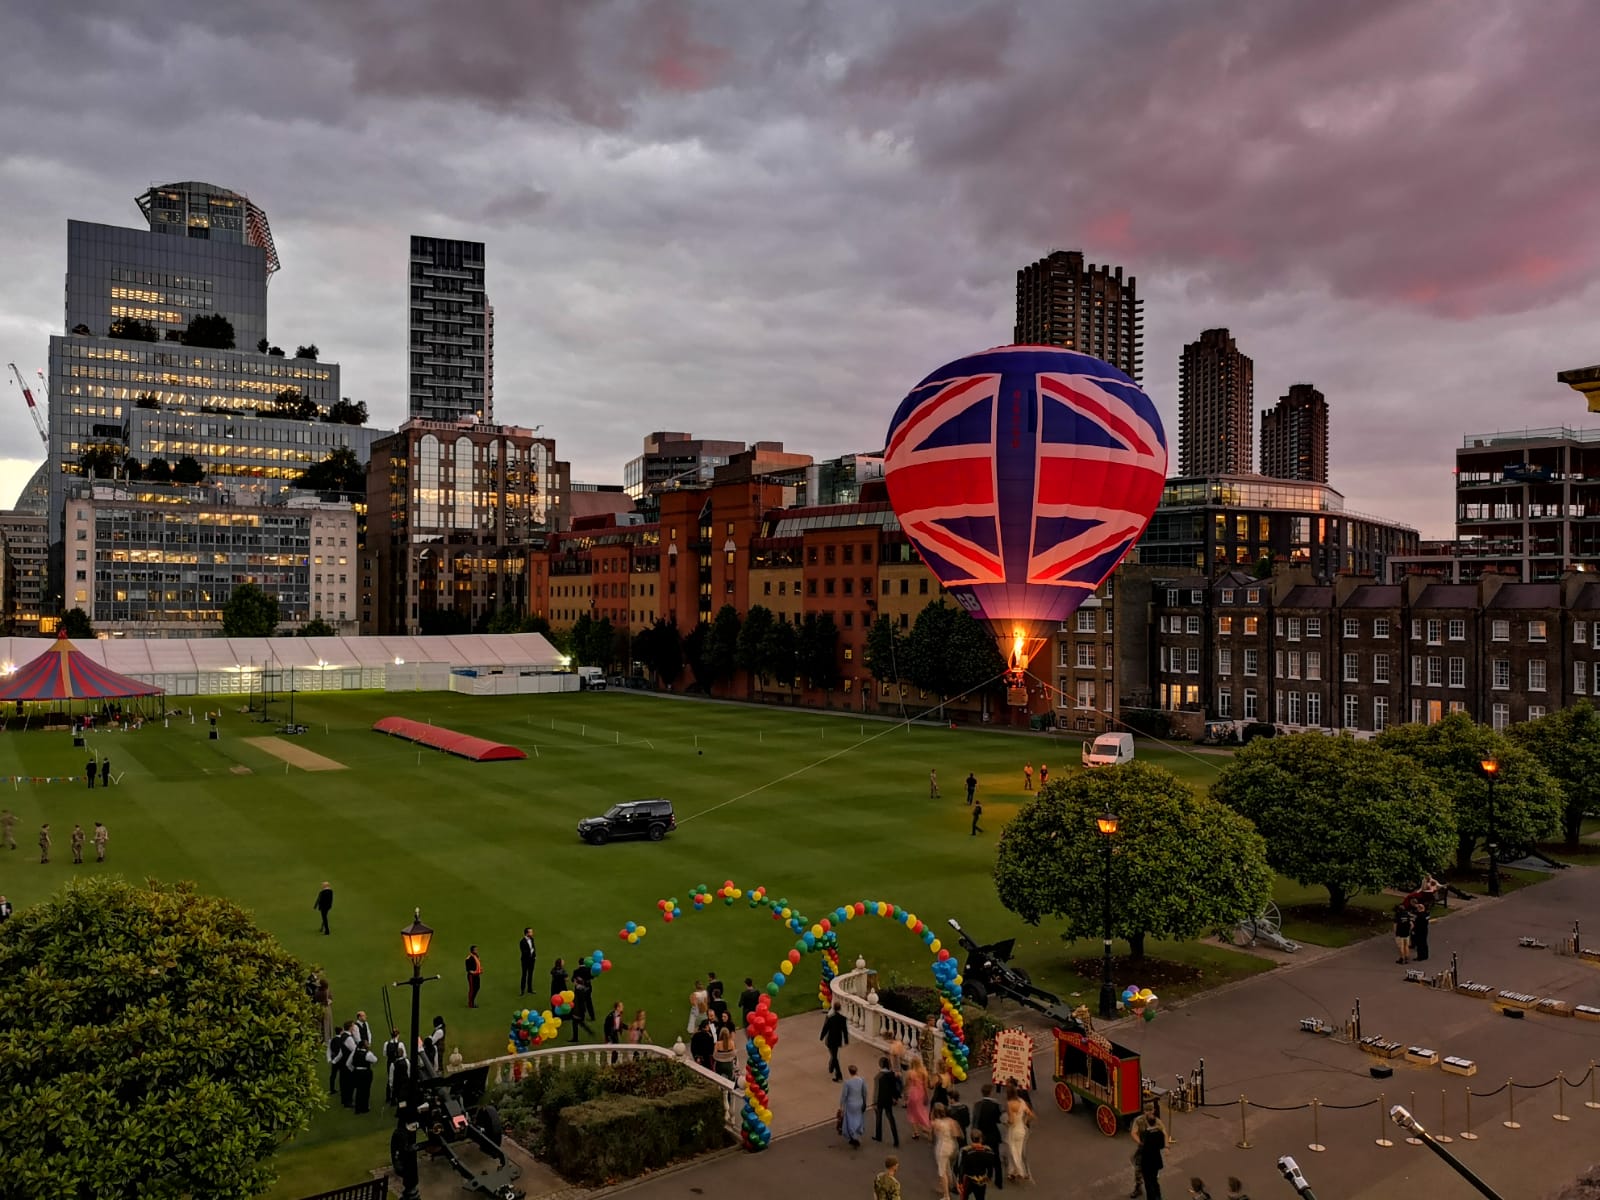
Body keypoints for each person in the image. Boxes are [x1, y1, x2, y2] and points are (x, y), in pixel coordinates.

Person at [1131, 1100, 1167, 1199]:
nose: (1149, 1112)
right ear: (1144, 1111)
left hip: (1152, 1152)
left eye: (1151, 1110)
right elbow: (1134, 1132)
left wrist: (1167, 1146)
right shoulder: (1139, 1120)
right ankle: (1138, 1188)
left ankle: (1154, 1195)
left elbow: (1164, 1132)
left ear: (1154, 1110)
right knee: (1138, 1171)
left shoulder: (1157, 1121)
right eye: (1147, 1110)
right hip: (1143, 1150)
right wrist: (1140, 1142)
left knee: (1152, 1179)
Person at [972, 1083, 1004, 1191]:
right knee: (996, 1158)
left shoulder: (977, 1105)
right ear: (990, 1093)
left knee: (983, 1156)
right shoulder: (995, 1105)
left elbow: (975, 1120)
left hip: (982, 1135)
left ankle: (987, 1175)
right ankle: (998, 1182)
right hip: (993, 1134)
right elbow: (999, 1119)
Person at [932, 1102, 961, 1199]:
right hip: (951, 1145)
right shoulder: (951, 1121)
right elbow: (957, 1134)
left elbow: (931, 1135)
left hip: (942, 1147)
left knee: (942, 1171)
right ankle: (950, 1186)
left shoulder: (936, 1123)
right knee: (948, 1167)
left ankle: (946, 1195)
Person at [1003, 1084, 1032, 1183]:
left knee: (1012, 1151)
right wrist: (1025, 1121)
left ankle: (1019, 1172)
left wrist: (1006, 1122)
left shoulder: (1010, 1104)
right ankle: (1014, 1172)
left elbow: (1011, 1120)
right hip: (1022, 1129)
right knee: (1018, 1151)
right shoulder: (1022, 1101)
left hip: (1014, 1130)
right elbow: (1030, 1114)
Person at [959, 1131, 999, 1200]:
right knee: (980, 1197)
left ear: (971, 1138)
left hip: (969, 1179)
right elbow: (990, 1166)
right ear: (981, 1139)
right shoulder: (988, 1151)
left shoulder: (966, 1151)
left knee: (964, 1197)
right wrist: (989, 1176)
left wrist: (960, 1181)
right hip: (981, 1178)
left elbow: (962, 1166)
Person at [873, 1056, 900, 1146]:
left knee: (879, 1118)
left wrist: (874, 1102)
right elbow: (894, 1088)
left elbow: (876, 1091)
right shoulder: (892, 1075)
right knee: (891, 1119)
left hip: (880, 1100)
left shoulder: (878, 1077)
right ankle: (896, 1140)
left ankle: (878, 1136)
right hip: (888, 1099)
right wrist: (895, 1098)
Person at [839, 1064, 868, 1149]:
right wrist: (865, 1102)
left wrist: (841, 1106)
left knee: (850, 1120)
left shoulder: (847, 1083)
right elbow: (865, 1092)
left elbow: (844, 1095)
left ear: (849, 1072)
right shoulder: (861, 1080)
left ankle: (853, 1136)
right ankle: (857, 1133)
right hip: (859, 1102)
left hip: (851, 1104)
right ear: (856, 1071)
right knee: (858, 1118)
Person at [821, 1003, 850, 1081]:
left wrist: (822, 1037)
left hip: (831, 1040)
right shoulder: (842, 1019)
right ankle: (832, 1066)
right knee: (834, 1055)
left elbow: (825, 1028)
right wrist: (846, 1040)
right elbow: (845, 1031)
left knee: (834, 1056)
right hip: (837, 1040)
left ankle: (839, 1074)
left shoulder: (831, 1018)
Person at [569, 961, 595, 1041]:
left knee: (576, 1023)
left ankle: (576, 1038)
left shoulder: (578, 990)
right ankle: (589, 1032)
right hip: (580, 1009)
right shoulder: (583, 989)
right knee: (579, 1023)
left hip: (578, 1010)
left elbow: (579, 1001)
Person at [352, 1040, 377, 1114]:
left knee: (359, 1090)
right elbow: (375, 1060)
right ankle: (364, 1107)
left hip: (357, 1072)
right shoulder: (368, 1054)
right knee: (366, 1090)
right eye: (367, 1044)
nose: (368, 1045)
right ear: (363, 1046)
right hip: (365, 1073)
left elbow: (350, 1063)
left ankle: (358, 1108)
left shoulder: (355, 1053)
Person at [382, 1027, 405, 1105]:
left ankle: (389, 1097)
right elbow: (404, 1055)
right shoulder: (400, 1044)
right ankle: (398, 1097)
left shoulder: (386, 1043)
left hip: (390, 1063)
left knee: (390, 1079)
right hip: (398, 1063)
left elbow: (385, 1054)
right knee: (399, 1080)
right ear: (398, 1035)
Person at [518, 927, 538, 995]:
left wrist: (534, 956)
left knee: (530, 974)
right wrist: (531, 952)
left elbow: (533, 947)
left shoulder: (532, 939)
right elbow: (524, 952)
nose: (532, 933)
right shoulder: (522, 941)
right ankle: (522, 990)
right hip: (525, 961)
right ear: (527, 933)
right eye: (531, 932)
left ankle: (530, 989)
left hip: (532, 960)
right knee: (524, 975)